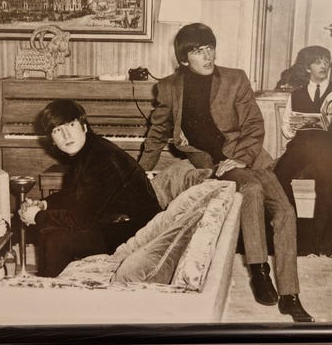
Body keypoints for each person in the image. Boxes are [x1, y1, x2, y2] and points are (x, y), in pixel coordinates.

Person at [139, 22, 313, 322]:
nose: (207, 56)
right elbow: (157, 133)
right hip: (214, 163)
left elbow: (254, 125)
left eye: (210, 48)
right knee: (252, 189)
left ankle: (290, 296)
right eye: (198, 51)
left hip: (248, 159)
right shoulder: (168, 87)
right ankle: (259, 270)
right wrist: (139, 172)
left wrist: (243, 159)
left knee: (285, 211)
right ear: (184, 59)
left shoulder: (235, 78)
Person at [19, 99, 161, 277]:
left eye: (71, 125)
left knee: (55, 239)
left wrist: (37, 216)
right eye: (57, 130)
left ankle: (53, 289)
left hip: (137, 231)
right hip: (115, 222)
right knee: (50, 230)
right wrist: (44, 204)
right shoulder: (88, 150)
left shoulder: (102, 159)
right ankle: (56, 283)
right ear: (52, 140)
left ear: (84, 127)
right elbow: (73, 195)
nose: (66, 135)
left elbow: (83, 219)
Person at [274, 46, 332, 254]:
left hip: (327, 148)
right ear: (308, 68)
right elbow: (286, 127)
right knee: (278, 176)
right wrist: (293, 127)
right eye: (318, 62)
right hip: (301, 147)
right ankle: (300, 229)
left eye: (326, 61)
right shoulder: (296, 94)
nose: (323, 65)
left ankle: (323, 241)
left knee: (327, 183)